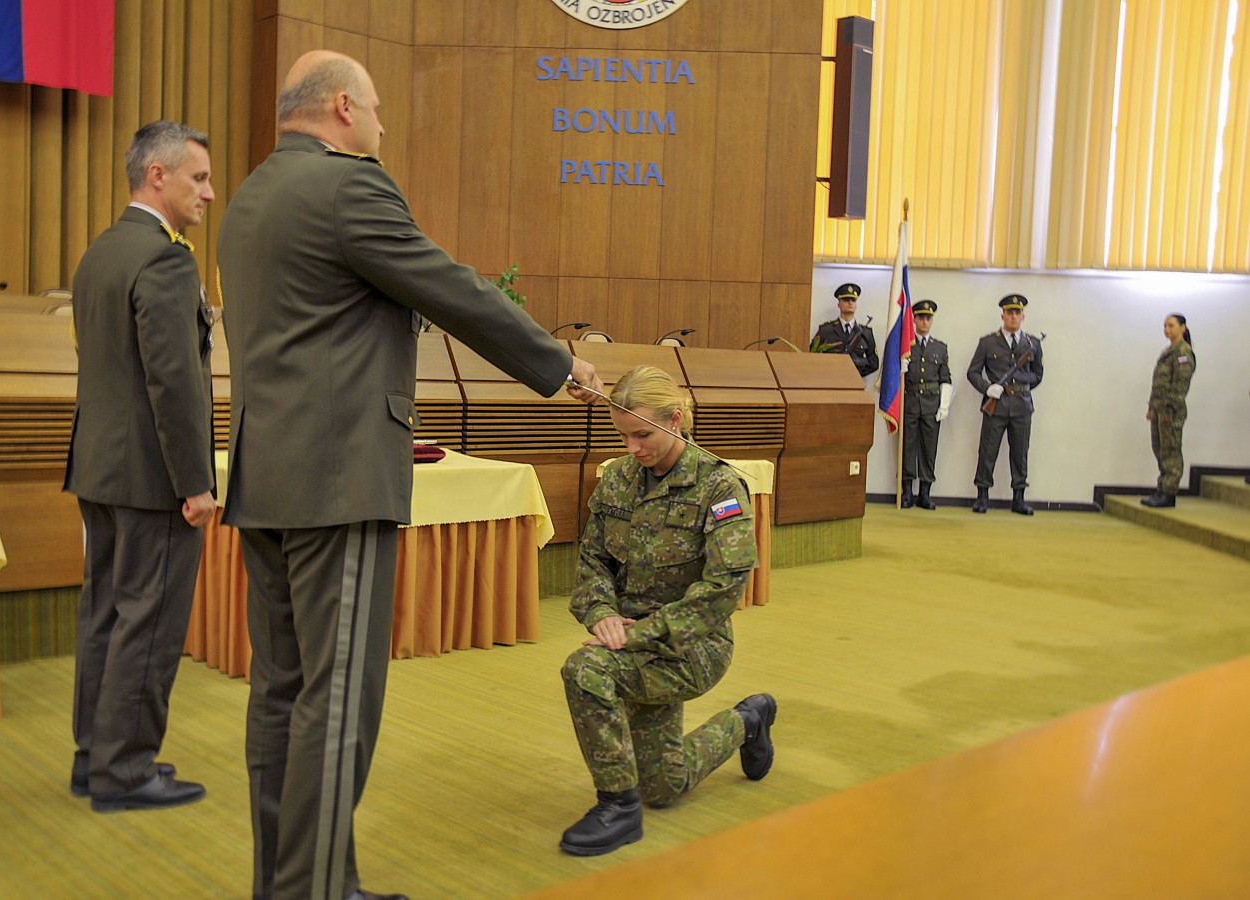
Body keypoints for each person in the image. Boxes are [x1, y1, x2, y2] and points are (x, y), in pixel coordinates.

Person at [216, 51, 603, 900]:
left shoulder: (248, 198)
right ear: (342, 107)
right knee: (337, 698)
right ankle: (315, 889)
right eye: (377, 108)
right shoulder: (347, 186)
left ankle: (291, 880)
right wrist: (556, 362)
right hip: (338, 480)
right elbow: (448, 287)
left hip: (265, 477)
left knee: (282, 694)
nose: (383, 125)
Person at [559, 365, 775, 858]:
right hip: (629, 643)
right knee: (663, 787)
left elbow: (723, 589)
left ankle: (618, 808)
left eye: (642, 435)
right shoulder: (618, 479)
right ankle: (748, 721)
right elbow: (593, 559)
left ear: (675, 420)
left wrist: (637, 636)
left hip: (692, 647)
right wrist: (601, 613)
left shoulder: (718, 487)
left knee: (586, 670)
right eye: (623, 435)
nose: (632, 447)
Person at [64, 120, 217, 812]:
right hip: (154, 477)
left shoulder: (101, 251)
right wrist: (196, 483)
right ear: (158, 175)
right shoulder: (165, 260)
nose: (208, 193)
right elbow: (173, 383)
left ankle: (94, 757)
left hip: (99, 468)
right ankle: (125, 770)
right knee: (147, 623)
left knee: (105, 614)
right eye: (198, 178)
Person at [966, 294, 1044, 515]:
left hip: (1021, 405)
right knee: (987, 451)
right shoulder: (987, 342)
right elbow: (973, 372)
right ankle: (982, 497)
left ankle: (1018, 498)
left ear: (1023, 316)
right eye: (1009, 313)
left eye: (1017, 313)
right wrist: (987, 388)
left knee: (1020, 453)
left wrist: (1019, 382)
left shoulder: (1032, 344)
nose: (1013, 317)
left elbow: (1037, 375)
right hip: (996, 405)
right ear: (1002, 316)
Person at [900, 299, 953, 509]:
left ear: (932, 320)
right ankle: (906, 492)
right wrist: (900, 368)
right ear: (914, 320)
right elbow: (893, 378)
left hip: (931, 404)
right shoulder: (905, 346)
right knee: (907, 447)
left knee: (929, 449)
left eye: (928, 318)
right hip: (910, 402)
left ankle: (925, 493)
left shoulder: (940, 348)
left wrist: (944, 406)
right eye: (921, 317)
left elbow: (946, 378)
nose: (924, 322)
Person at [1142, 314, 1196, 508]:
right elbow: (1159, 383)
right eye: (1165, 326)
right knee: (1160, 449)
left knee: (1171, 451)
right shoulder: (1168, 351)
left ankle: (1169, 493)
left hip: (1170, 411)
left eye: (1171, 325)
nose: (1167, 329)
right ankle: (1162, 489)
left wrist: (1168, 409)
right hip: (1159, 409)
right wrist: (1152, 407)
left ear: (1183, 327)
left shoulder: (1183, 353)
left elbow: (1180, 386)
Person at [813, 283, 879, 377]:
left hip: (855, 382)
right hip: (829, 381)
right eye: (846, 300)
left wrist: (855, 374)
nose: (850, 303)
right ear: (838, 304)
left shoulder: (866, 332)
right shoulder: (825, 330)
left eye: (853, 300)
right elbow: (812, 357)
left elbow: (873, 362)